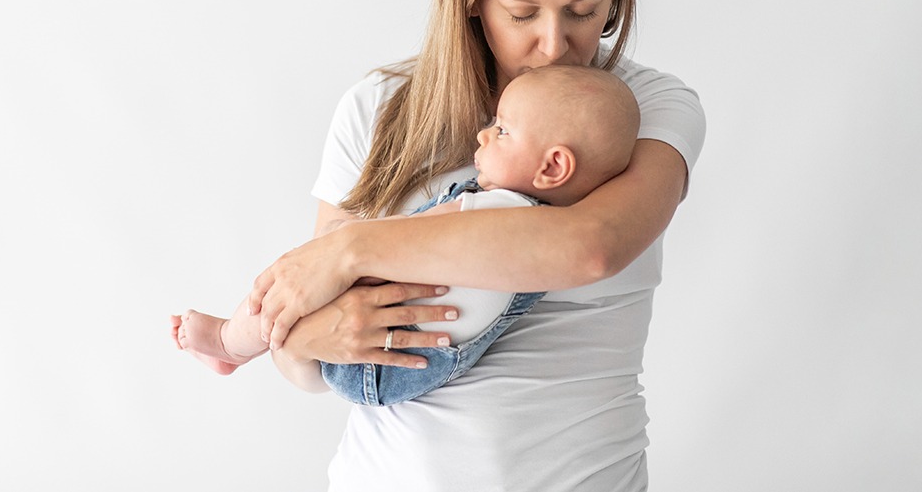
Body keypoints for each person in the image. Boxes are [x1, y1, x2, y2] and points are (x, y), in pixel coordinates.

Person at [246, 0, 703, 491]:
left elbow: (590, 246)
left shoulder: (646, 108)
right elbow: (304, 357)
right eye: (522, 13)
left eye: (584, 11)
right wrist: (304, 339)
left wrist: (352, 250)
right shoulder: (379, 110)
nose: (554, 44)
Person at [171, 64, 640, 406]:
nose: (483, 135)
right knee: (305, 283)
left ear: (553, 166)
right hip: (397, 371)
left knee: (300, 273)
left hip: (384, 359)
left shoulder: (501, 211)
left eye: (501, 131)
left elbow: (412, 235)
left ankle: (229, 341)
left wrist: (345, 242)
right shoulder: (548, 229)